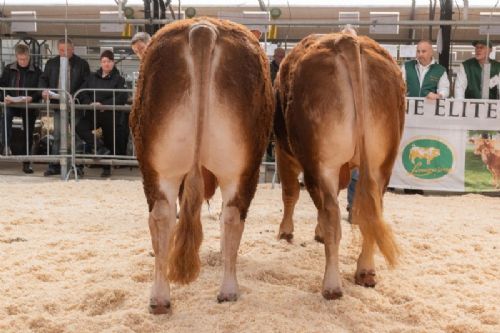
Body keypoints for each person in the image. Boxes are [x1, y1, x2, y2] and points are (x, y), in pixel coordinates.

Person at [39, 38, 90, 176]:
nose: (64, 53)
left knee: (76, 135)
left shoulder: (82, 64)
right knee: (57, 136)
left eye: (67, 50)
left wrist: (75, 95)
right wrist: (43, 90)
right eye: (61, 50)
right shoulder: (51, 63)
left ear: (73, 49)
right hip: (57, 105)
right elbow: (43, 79)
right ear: (57, 49)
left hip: (75, 105)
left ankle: (78, 165)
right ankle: (55, 165)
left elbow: (86, 83)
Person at [75, 50, 129, 177]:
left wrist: (105, 105)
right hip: (93, 113)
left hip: (109, 114)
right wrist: (90, 103)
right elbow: (82, 92)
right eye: (104, 61)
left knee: (109, 140)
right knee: (80, 127)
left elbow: (122, 97)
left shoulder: (119, 79)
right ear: (101, 63)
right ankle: (99, 147)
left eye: (109, 61)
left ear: (113, 63)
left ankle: (106, 168)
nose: (106, 64)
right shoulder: (92, 77)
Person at [0, 43, 42, 174]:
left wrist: (32, 98)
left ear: (29, 57)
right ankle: (6, 145)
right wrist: (5, 97)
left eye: (25, 59)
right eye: (20, 59)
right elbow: (1, 85)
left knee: (28, 132)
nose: (23, 62)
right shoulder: (8, 69)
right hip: (12, 103)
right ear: (16, 57)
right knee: (5, 117)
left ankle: (26, 162)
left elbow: (40, 88)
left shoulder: (37, 70)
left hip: (28, 105)